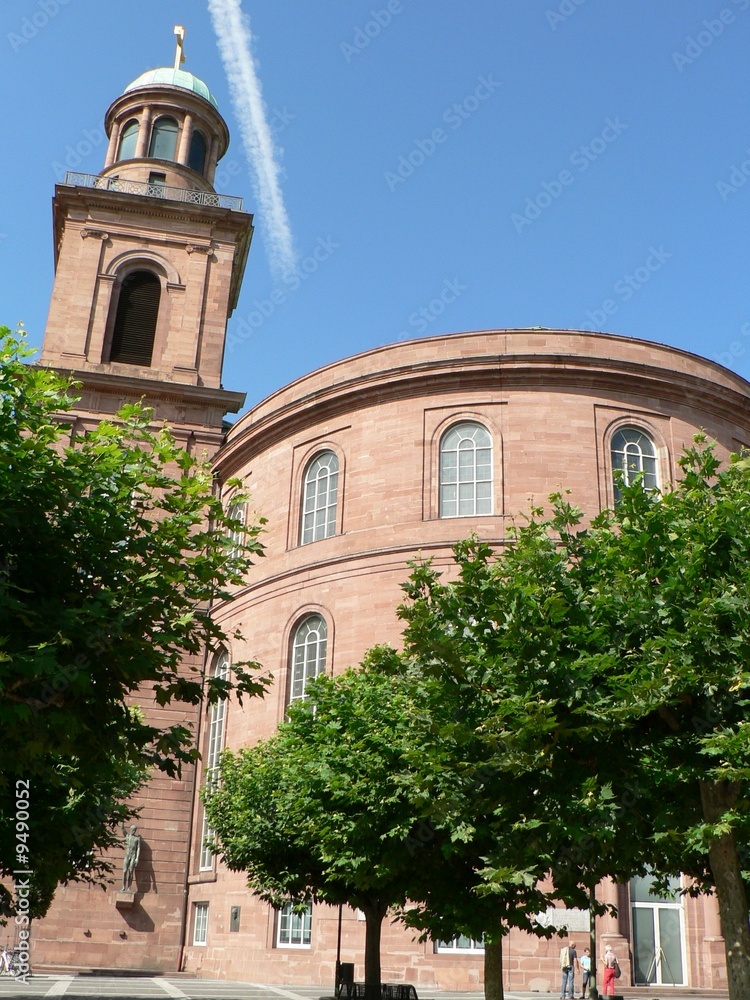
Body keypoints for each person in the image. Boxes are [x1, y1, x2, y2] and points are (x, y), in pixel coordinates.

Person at [121, 823, 141, 891]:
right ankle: (123, 887)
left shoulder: (137, 839)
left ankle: (129, 887)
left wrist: (137, 858)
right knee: (124, 871)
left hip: (133, 856)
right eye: (131, 829)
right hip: (127, 855)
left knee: (131, 871)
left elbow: (138, 848)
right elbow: (123, 829)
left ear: (135, 830)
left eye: (134, 830)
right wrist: (122, 821)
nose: (132, 831)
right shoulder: (127, 836)